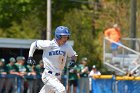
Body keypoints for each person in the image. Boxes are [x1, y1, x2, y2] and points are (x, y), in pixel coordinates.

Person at [27, 26, 77, 93]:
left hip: (58, 76)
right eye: (64, 36)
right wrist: (30, 56)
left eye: (67, 36)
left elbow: (73, 55)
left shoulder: (67, 46)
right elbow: (34, 44)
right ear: (58, 36)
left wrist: (73, 60)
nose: (66, 38)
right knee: (61, 90)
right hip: (48, 75)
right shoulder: (49, 44)